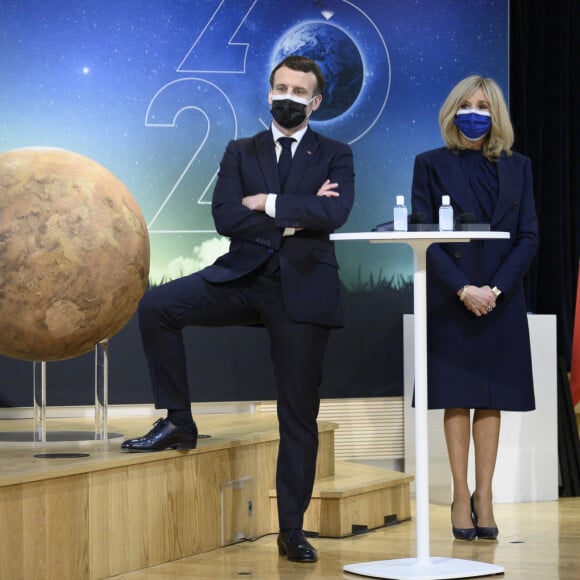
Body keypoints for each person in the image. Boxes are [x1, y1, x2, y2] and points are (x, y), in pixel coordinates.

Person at [121, 55, 355, 563]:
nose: (288, 98)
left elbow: (334, 211)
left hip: (303, 290)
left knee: (298, 415)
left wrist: (265, 202)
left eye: (299, 92)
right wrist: (295, 210)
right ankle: (179, 421)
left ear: (314, 102)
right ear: (269, 93)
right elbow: (226, 217)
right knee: (158, 306)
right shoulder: (240, 149)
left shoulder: (336, 152)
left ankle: (291, 530)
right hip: (243, 277)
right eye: (281, 89)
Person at [410, 75, 538, 541]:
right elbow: (423, 233)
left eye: (483, 105)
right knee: (457, 396)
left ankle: (485, 495)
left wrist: (496, 290)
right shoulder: (429, 163)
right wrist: (465, 289)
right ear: (451, 111)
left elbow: (529, 237)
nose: (474, 112)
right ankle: (459, 495)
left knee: (492, 398)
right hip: (452, 298)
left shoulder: (519, 166)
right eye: (465, 104)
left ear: (495, 113)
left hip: (501, 301)